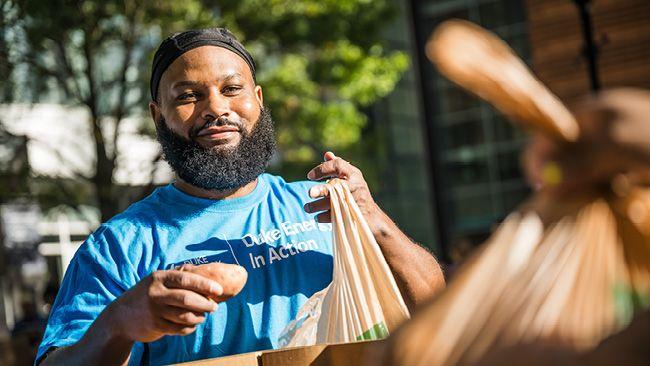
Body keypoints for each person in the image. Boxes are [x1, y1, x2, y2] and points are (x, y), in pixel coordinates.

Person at [36, 28, 445, 365]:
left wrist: (375, 223)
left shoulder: (323, 206)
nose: (216, 108)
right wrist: (119, 323)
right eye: (187, 96)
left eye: (232, 88)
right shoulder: (119, 245)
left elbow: (440, 310)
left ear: (258, 100)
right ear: (158, 115)